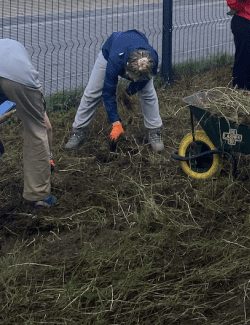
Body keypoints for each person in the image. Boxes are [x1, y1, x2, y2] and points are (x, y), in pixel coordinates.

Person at [65, 30, 163, 152]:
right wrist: (115, 122)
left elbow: (144, 80)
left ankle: (154, 131)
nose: (133, 80)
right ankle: (78, 131)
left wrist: (129, 91)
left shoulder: (151, 61)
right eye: (133, 79)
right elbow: (108, 92)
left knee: (148, 94)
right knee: (92, 93)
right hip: (111, 51)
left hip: (134, 50)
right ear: (126, 69)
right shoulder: (114, 61)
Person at [0, 38, 56, 207]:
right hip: (17, 76)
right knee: (36, 129)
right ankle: (38, 194)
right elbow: (45, 126)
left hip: (10, 73)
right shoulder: (15, 51)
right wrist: (48, 156)